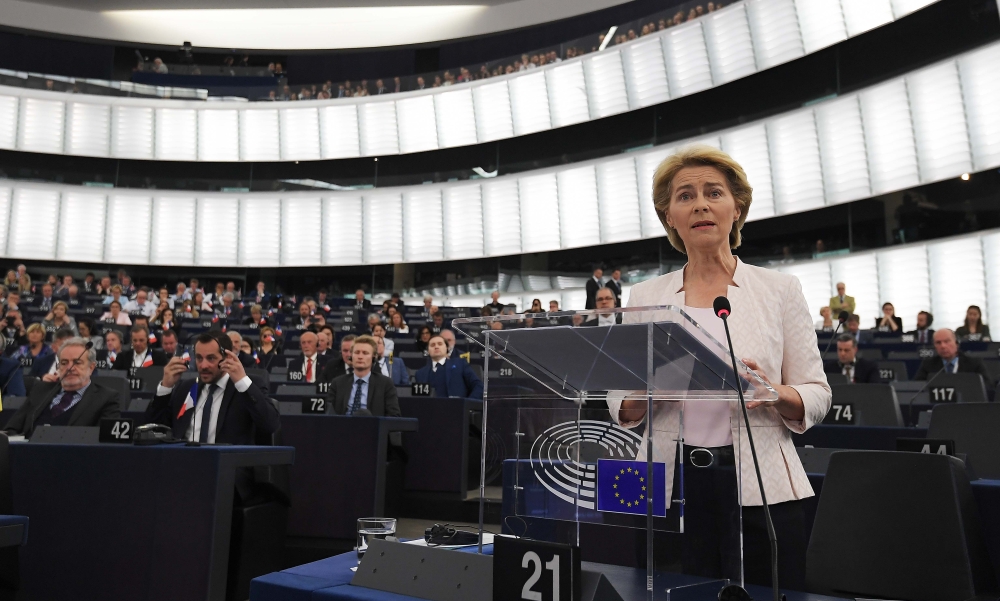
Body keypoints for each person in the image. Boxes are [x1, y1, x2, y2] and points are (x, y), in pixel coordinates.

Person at [612, 145, 831, 588]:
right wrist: (654, 390)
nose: (700, 205)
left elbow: (817, 393)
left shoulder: (780, 290)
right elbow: (620, 402)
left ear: (737, 208)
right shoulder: (644, 297)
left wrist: (773, 392)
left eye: (714, 193)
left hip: (762, 483)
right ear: (670, 216)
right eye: (685, 196)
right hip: (667, 483)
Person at [145, 332, 280, 444]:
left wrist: (242, 382)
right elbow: (151, 429)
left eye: (211, 358)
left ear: (227, 357)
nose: (203, 366)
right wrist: (166, 387)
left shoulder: (246, 387)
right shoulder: (186, 388)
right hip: (184, 465)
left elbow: (270, 425)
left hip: (227, 470)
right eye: (199, 358)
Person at [3, 336, 122, 438]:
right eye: (64, 363)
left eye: (77, 362)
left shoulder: (106, 398)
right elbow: (11, 429)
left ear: (91, 367)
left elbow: (105, 441)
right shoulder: (41, 390)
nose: (70, 368)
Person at [328, 335, 400, 416]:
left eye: (365, 353)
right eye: (357, 352)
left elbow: (394, 415)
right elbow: (329, 414)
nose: (360, 357)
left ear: (373, 357)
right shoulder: (337, 383)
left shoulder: (385, 384)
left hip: (373, 426)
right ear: (351, 356)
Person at [914, 329, 993, 385]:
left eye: (947, 341)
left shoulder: (974, 364)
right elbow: (917, 387)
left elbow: (988, 387)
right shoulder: (928, 365)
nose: (943, 346)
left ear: (956, 343)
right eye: (938, 343)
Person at [414, 335, 483, 399]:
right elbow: (419, 400)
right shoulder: (420, 373)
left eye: (440, 344)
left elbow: (478, 386)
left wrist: (467, 405)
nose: (436, 346)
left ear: (447, 348)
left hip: (456, 409)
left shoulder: (460, 364)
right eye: (432, 345)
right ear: (428, 351)